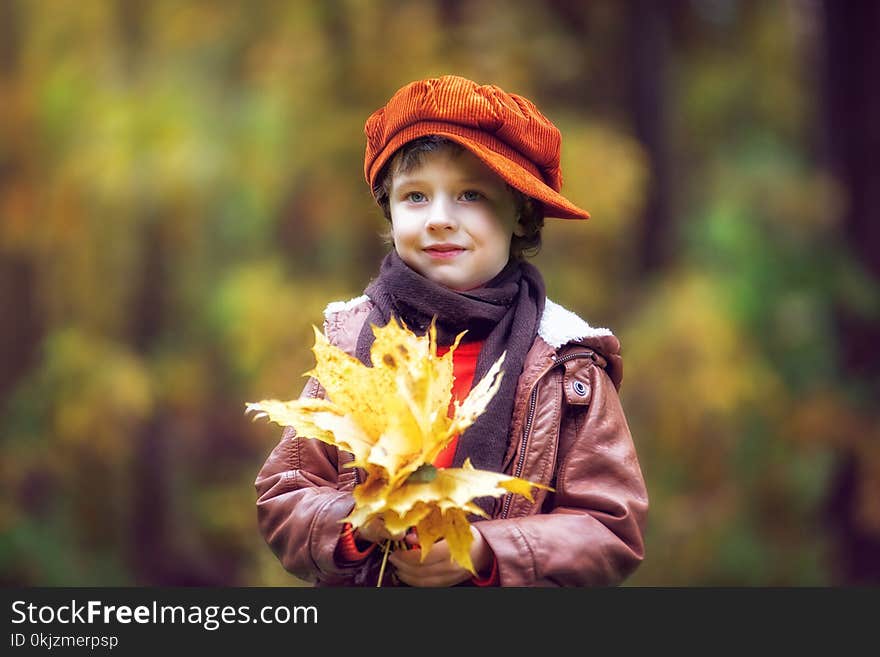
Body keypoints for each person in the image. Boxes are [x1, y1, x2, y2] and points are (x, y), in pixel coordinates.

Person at [254, 74, 648, 586]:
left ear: (521, 214)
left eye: (470, 195)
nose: (439, 218)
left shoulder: (564, 362)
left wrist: (487, 550)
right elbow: (285, 494)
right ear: (389, 211)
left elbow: (611, 528)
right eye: (415, 197)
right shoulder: (351, 346)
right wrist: (356, 524)